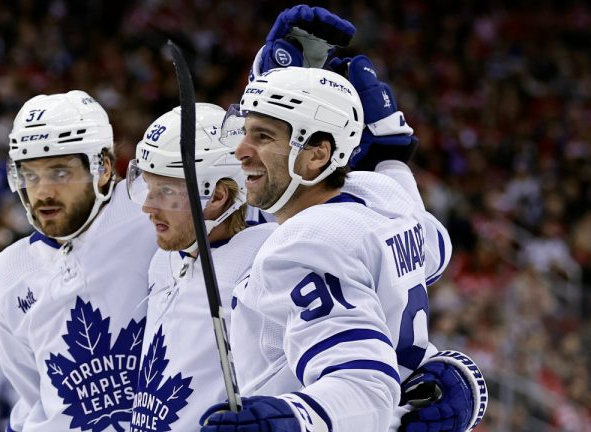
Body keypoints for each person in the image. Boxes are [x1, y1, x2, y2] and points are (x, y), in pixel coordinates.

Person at [199, 64, 486, 432]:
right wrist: (390, 151)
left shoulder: (306, 242)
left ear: (317, 155)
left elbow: (364, 389)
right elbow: (436, 250)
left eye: (263, 136)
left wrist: (287, 422)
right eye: (245, 131)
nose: (240, 151)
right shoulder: (383, 194)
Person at [0, 90, 158, 432]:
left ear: (104, 168)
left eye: (59, 173)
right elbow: (33, 393)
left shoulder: (152, 211)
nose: (43, 192)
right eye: (30, 176)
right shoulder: (9, 275)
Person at [125, 103, 277, 431]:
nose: (149, 208)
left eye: (165, 191)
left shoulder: (264, 262)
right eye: (149, 188)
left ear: (218, 196)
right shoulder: (165, 259)